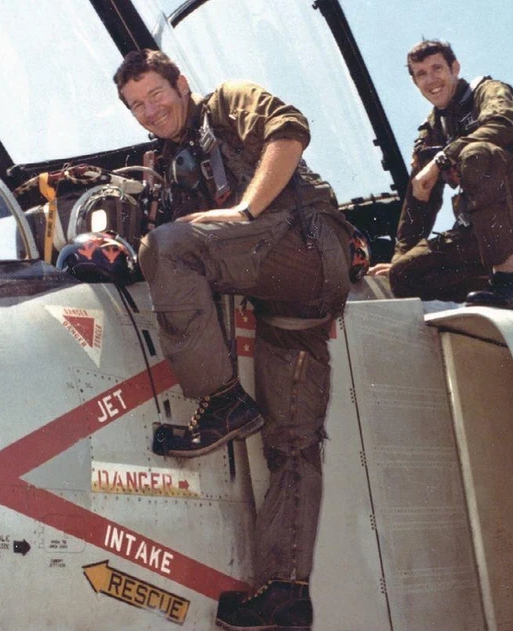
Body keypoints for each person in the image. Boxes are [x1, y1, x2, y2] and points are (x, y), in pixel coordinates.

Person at [114, 49, 352, 630]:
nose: (150, 110)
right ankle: (286, 593)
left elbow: (289, 132)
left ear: (181, 83)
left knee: (167, 248)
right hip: (291, 301)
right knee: (292, 441)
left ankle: (220, 400)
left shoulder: (225, 104)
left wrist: (244, 211)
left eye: (156, 94)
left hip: (303, 243)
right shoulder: (171, 167)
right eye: (136, 106)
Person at [369, 39, 513, 311]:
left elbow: (501, 124)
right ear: (414, 82)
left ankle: (508, 280)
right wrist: (400, 258)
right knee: (403, 276)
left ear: (455, 68)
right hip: (484, 229)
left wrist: (442, 158)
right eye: (421, 74)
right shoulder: (433, 129)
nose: (431, 79)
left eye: (437, 69)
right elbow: (419, 197)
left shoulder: (489, 92)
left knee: (477, 153)